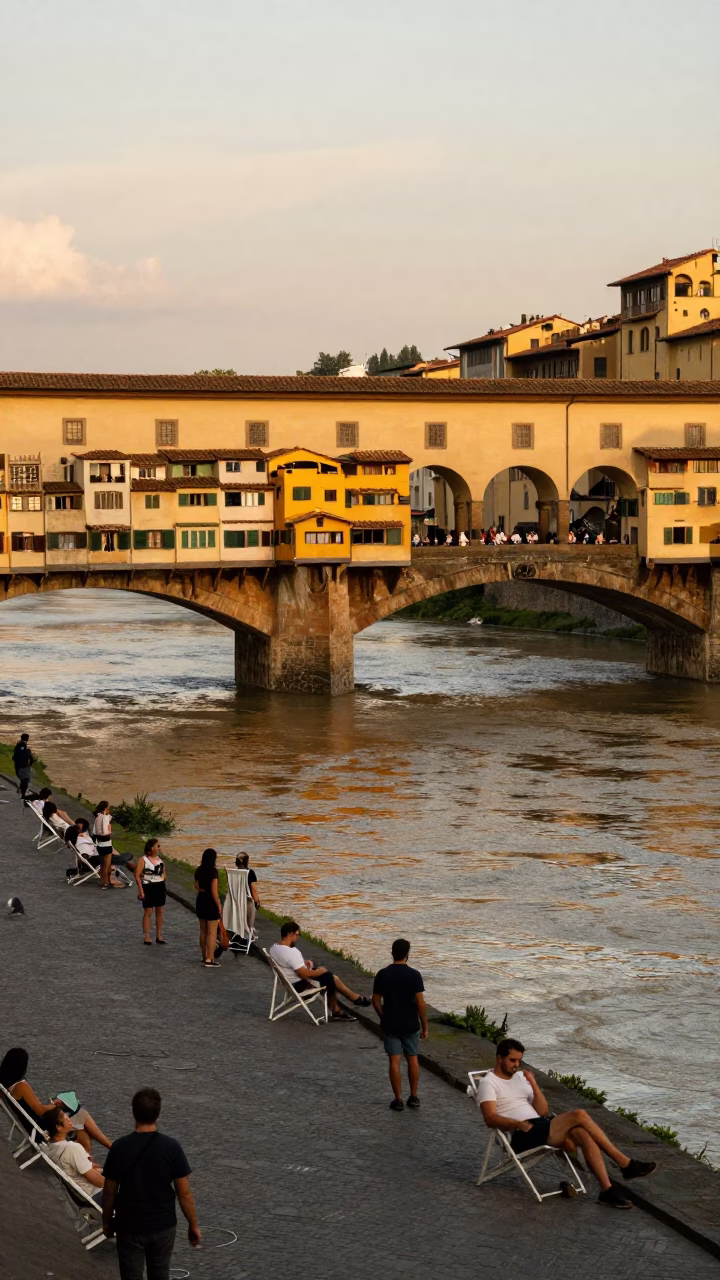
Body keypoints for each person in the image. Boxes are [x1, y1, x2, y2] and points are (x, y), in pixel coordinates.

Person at [475, 1039, 657, 1210]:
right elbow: (490, 1118)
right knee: (579, 1114)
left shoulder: (520, 1077)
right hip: (522, 1133)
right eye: (512, 1060)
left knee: (582, 1134)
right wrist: (517, 1124)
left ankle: (606, 1191)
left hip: (540, 1125)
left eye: (519, 1061)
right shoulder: (488, 1083)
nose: (516, 1065)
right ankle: (625, 1164)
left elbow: (543, 1111)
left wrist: (534, 1083)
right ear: (500, 1058)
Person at [102, 1087, 200, 1280]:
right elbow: (184, 1193)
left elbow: (110, 1191)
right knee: (160, 1274)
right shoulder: (172, 1148)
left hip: (129, 1225)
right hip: (163, 1225)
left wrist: (107, 1221)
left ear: (133, 1112)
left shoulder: (120, 1148)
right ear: (158, 1114)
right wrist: (193, 1224)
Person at [0, 1046, 111, 1154]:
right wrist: (55, 1104)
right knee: (80, 1115)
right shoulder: (21, 1086)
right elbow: (40, 1110)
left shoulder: (5, 1085)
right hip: (40, 1126)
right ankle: (107, 1149)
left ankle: (95, 1155)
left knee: (79, 1119)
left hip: (30, 1123)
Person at [269, 920, 370, 1021]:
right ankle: (338, 1010)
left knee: (332, 977)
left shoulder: (274, 948)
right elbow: (303, 974)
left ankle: (355, 999)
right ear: (290, 934)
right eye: (297, 934)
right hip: (300, 985)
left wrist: (303, 963)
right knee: (328, 976)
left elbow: (289, 964)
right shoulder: (290, 952)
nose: (297, 937)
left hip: (290, 982)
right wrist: (320, 971)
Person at [372, 938, 428, 1112]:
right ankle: (414, 1096)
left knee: (394, 1061)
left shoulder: (382, 974)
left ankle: (398, 1100)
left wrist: (384, 1016)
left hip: (391, 1024)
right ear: (407, 954)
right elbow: (420, 1003)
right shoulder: (414, 975)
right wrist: (425, 1026)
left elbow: (375, 1000)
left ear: (392, 953)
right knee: (412, 1059)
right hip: (410, 1023)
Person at [45, 1106, 105, 1201]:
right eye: (66, 1119)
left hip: (80, 1195)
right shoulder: (72, 1148)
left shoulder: (51, 1147)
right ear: (58, 1127)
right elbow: (97, 1181)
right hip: (95, 1194)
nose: (70, 1120)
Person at [194, 847, 223, 967]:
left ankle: (203, 956)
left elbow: (196, 885)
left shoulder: (199, 870)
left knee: (203, 930)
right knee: (212, 932)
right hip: (210, 901)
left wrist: (201, 889)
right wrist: (219, 905)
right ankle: (210, 959)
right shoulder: (213, 871)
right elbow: (214, 891)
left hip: (200, 899)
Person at [135, 839, 167, 945]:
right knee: (148, 911)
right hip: (148, 887)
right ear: (151, 847)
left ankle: (159, 935)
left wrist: (162, 878)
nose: (158, 848)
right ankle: (147, 936)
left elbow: (164, 873)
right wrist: (141, 890)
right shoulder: (143, 859)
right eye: (157, 846)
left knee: (160, 912)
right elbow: (137, 875)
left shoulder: (160, 860)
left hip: (159, 886)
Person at [93, 801, 117, 889]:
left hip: (99, 845)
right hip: (106, 844)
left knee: (102, 865)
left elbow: (94, 832)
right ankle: (106, 882)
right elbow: (105, 832)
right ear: (105, 808)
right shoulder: (105, 818)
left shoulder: (97, 817)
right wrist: (109, 833)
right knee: (107, 866)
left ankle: (103, 882)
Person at [235, 852, 259, 936]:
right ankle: (250, 933)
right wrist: (257, 901)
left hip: (236, 901)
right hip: (246, 902)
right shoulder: (250, 873)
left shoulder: (233, 873)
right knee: (252, 904)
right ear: (246, 862)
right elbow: (253, 890)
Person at [12, 733, 34, 797]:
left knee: (24, 779)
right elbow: (22, 756)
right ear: (27, 738)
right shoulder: (22, 745)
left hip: (19, 766)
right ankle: (23, 795)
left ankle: (21, 790)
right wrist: (28, 753)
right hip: (22, 766)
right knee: (25, 779)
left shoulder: (20, 744)